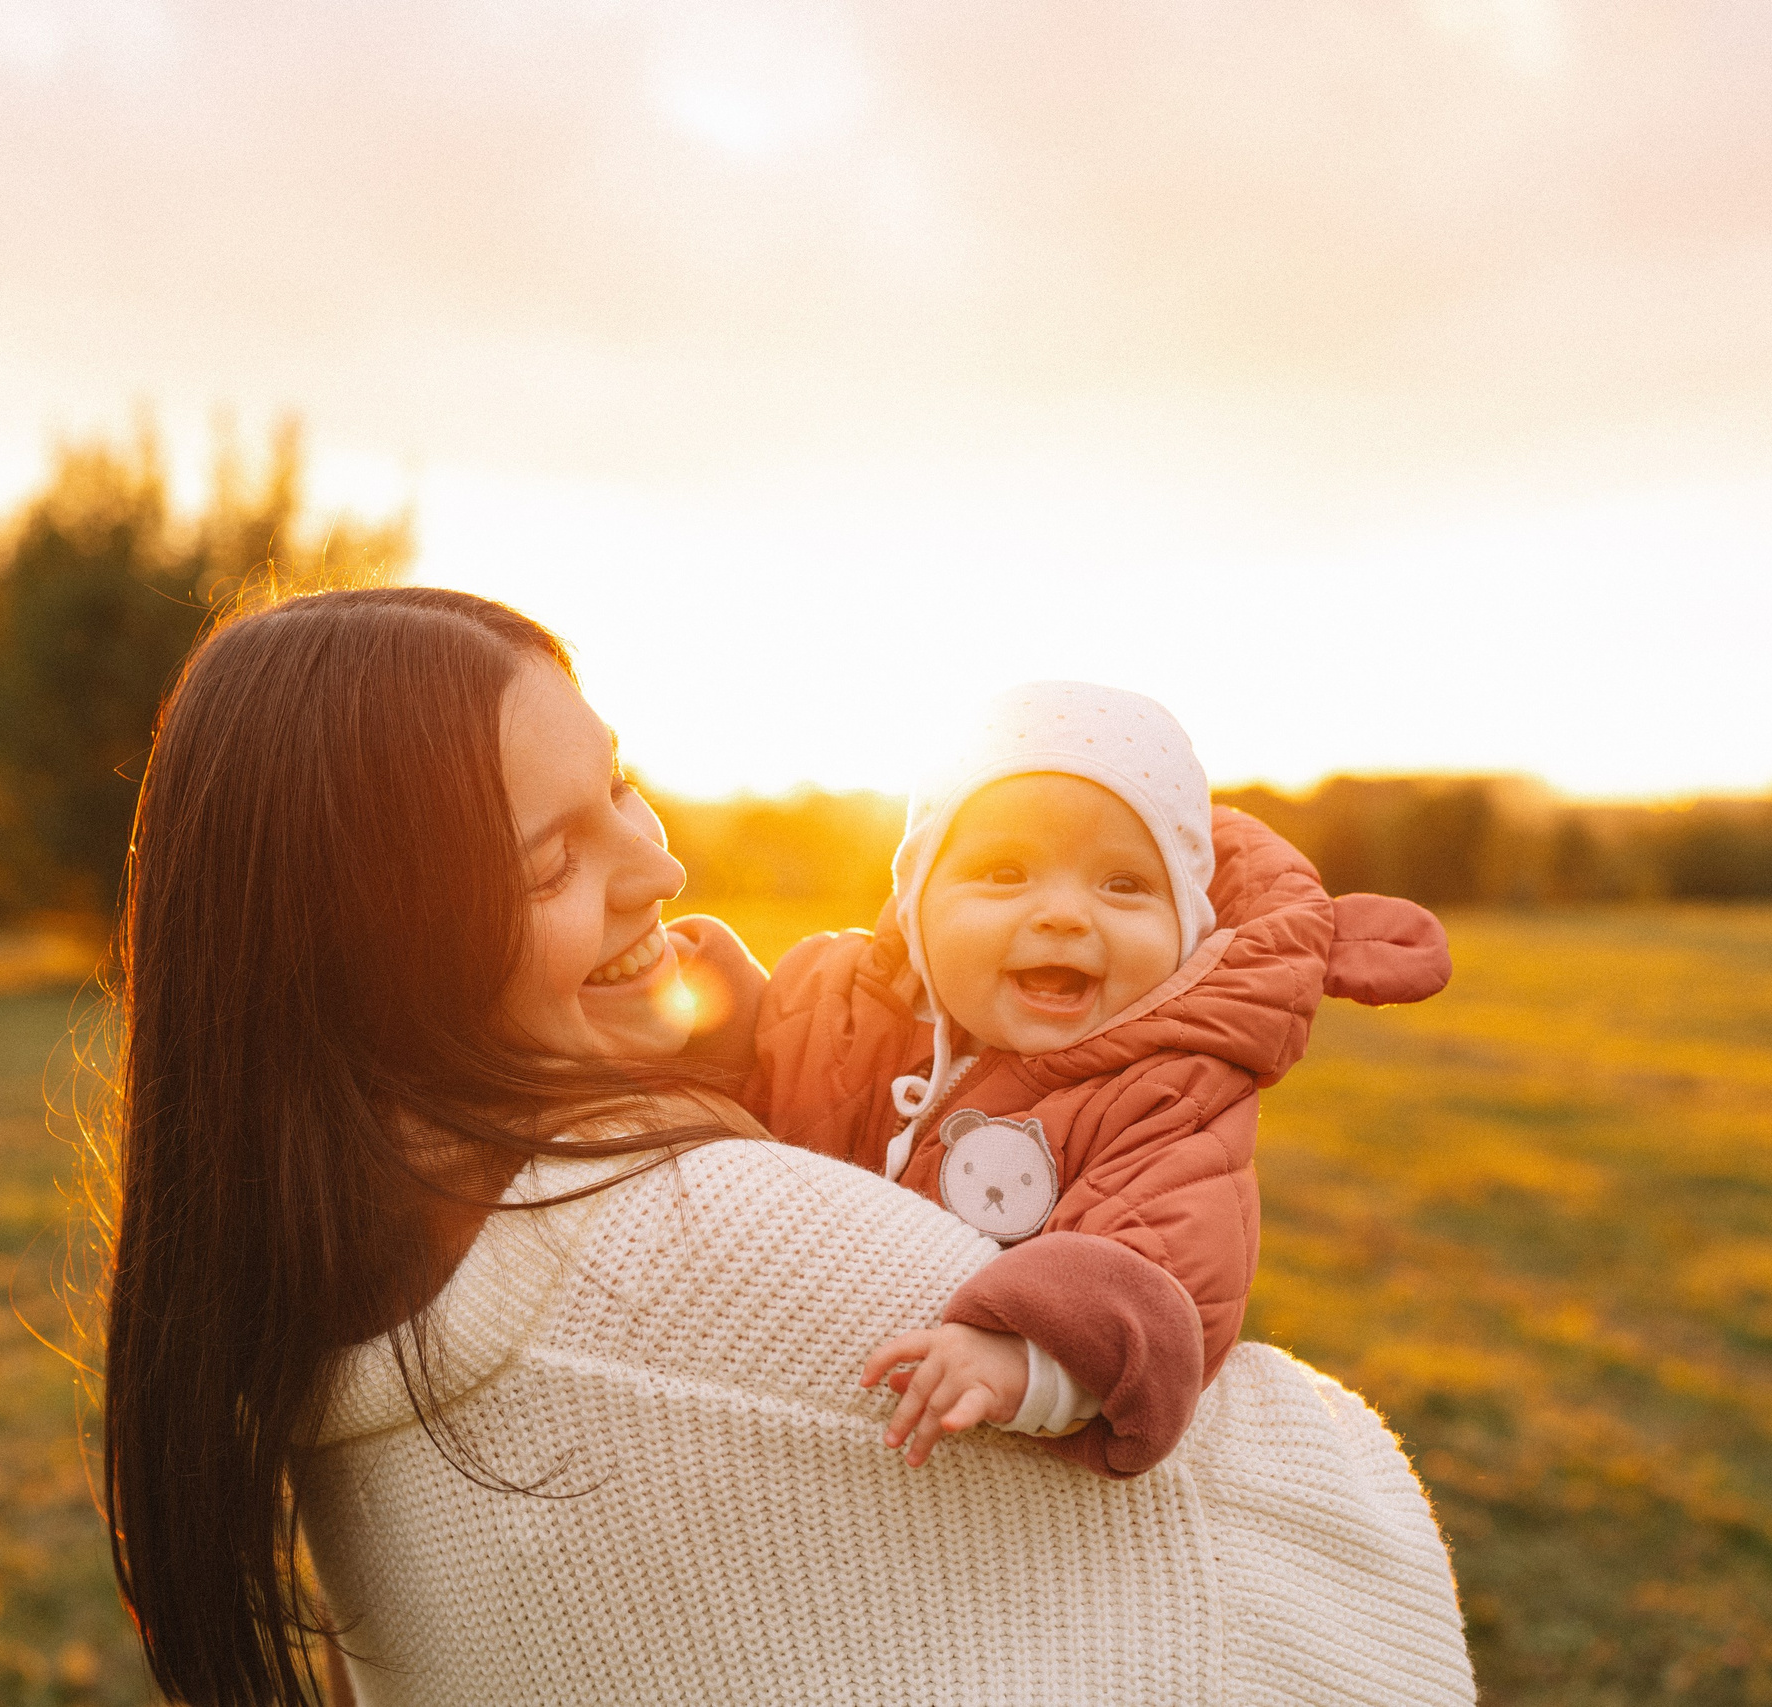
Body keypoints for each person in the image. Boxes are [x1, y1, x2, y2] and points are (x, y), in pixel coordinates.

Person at [99, 586, 1475, 1706]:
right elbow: (1268, 1536)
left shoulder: (301, 1293)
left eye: (623, 788)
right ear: (375, 943)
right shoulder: (703, 1237)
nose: (659, 867)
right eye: (551, 859)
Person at [736, 683, 1453, 1476]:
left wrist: (1024, 1361)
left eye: (1122, 885)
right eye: (1006, 872)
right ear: (917, 903)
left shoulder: (1170, 1096)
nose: (1064, 914)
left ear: (1186, 930)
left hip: (972, 1488)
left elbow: (1163, 1272)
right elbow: (726, 1057)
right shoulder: (837, 1010)